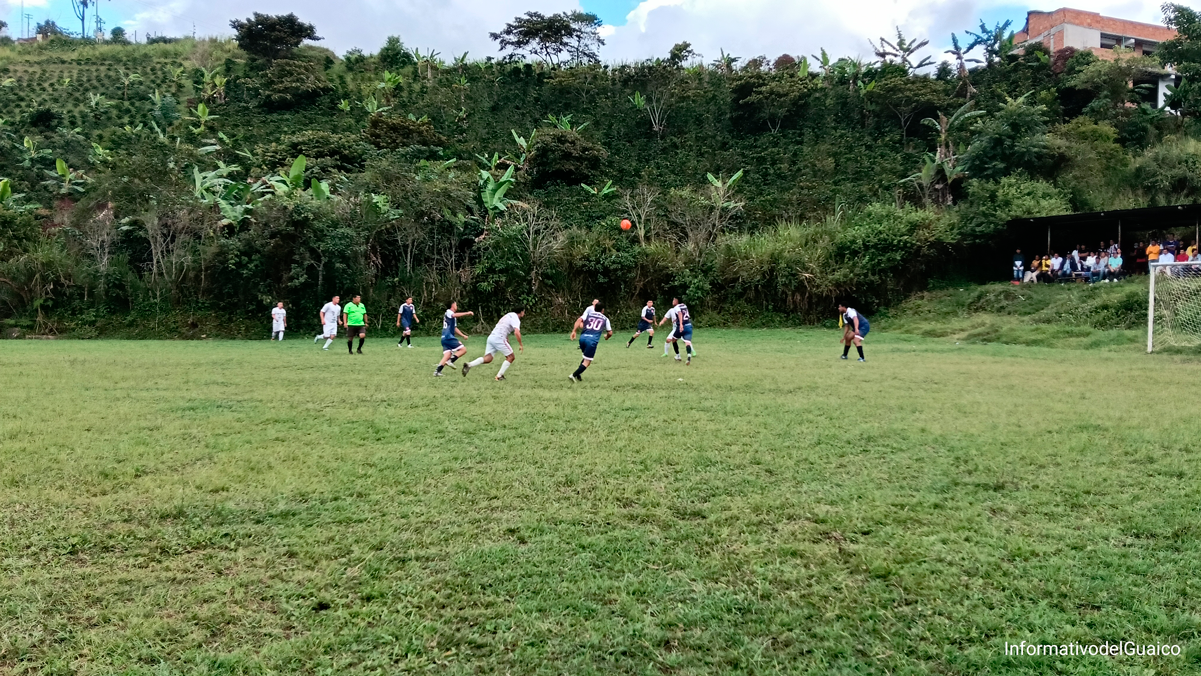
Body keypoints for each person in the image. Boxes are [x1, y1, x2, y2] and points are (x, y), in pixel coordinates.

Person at [463, 308, 524, 381]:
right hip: (499, 338)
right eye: (524, 311)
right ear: (521, 312)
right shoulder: (516, 318)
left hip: (492, 337)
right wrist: (520, 344)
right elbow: (517, 332)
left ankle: (469, 365)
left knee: (488, 358)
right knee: (511, 357)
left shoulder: (508, 315)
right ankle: (499, 376)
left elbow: (503, 327)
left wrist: (506, 338)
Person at [569, 302, 612, 382]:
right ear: (603, 310)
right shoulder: (605, 319)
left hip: (582, 339)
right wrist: (607, 337)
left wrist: (574, 331)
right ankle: (573, 375)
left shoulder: (588, 314)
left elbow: (579, 320)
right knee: (587, 362)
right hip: (592, 341)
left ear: (594, 308)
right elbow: (610, 332)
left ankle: (578, 374)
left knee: (585, 357)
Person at [434, 302, 473, 376]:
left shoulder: (452, 317)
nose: (456, 306)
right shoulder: (449, 312)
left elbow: (455, 328)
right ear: (452, 305)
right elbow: (454, 315)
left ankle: (437, 371)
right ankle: (450, 361)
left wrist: (463, 335)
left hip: (444, 338)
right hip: (448, 337)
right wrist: (467, 313)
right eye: (456, 304)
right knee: (463, 349)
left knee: (447, 355)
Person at [672, 300, 695, 365]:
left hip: (681, 326)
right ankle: (688, 358)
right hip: (689, 326)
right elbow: (684, 315)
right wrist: (676, 319)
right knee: (687, 342)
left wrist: (681, 324)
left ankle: (678, 356)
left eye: (674, 300)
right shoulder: (684, 306)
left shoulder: (676, 307)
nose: (673, 301)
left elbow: (680, 313)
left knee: (673, 340)